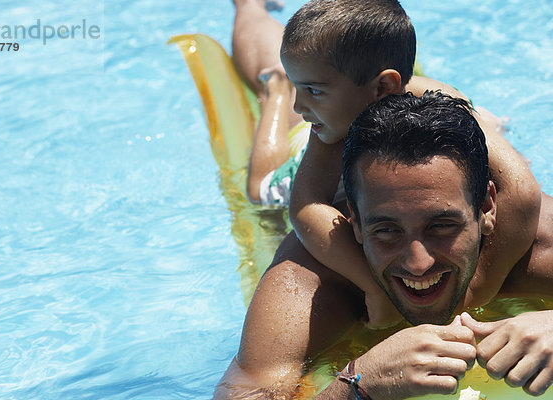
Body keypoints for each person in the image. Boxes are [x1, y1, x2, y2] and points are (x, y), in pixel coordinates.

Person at [213, 91, 553, 399]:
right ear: (355, 223)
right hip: (308, 156)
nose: (418, 263)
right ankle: (272, 85)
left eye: (442, 226)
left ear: (486, 208)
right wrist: (359, 384)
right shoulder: (311, 284)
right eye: (387, 231)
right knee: (277, 159)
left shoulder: (538, 247)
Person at [231, 0, 541, 327]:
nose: (300, 104)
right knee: (258, 189)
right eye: (299, 88)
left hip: (405, 108)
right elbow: (305, 208)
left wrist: (479, 286)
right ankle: (270, 73)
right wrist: (373, 286)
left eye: (311, 90)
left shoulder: (446, 109)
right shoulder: (329, 136)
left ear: (383, 87)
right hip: (313, 148)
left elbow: (522, 192)